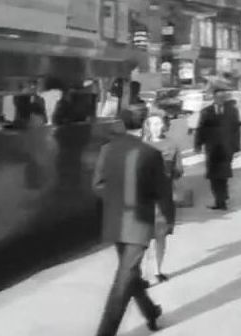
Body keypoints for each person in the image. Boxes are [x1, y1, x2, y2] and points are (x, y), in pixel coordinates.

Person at [93, 109, 175, 335]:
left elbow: (97, 185)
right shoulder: (150, 154)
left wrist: (114, 201)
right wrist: (168, 219)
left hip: (114, 221)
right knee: (124, 279)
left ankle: (151, 311)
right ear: (143, 126)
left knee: (128, 274)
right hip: (139, 224)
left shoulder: (107, 150)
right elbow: (163, 192)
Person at [141, 111, 182, 284]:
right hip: (144, 199)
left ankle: (158, 270)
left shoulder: (172, 145)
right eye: (154, 124)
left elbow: (178, 170)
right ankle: (142, 274)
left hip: (164, 198)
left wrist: (170, 177)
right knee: (142, 239)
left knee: (161, 236)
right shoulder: (141, 146)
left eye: (160, 124)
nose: (158, 127)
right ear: (147, 127)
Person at [194, 85, 241, 210]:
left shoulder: (232, 111)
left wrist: (236, 147)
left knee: (224, 175)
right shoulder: (206, 111)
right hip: (212, 149)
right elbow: (201, 129)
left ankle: (222, 199)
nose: (221, 99)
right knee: (213, 175)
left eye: (223, 97)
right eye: (218, 97)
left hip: (227, 148)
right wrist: (198, 144)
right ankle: (219, 199)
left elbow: (236, 129)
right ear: (213, 97)